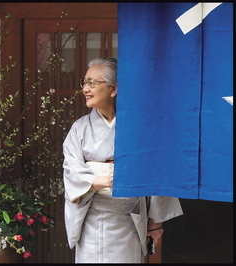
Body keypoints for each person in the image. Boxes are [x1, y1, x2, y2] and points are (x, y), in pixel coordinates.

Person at [62, 57, 183, 263]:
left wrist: (155, 223)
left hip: (129, 220)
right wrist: (107, 179)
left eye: (92, 83)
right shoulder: (79, 128)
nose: (85, 89)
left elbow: (156, 173)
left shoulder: (140, 128)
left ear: (114, 88)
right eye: (84, 82)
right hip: (89, 220)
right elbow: (71, 171)